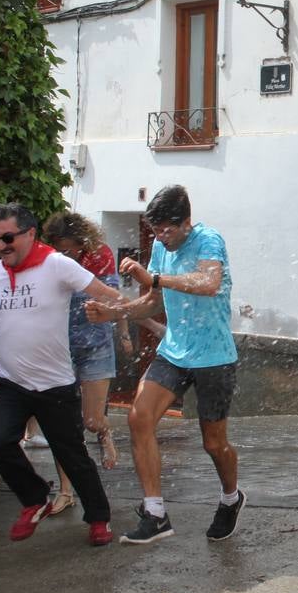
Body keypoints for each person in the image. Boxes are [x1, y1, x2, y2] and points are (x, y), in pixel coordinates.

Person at [0, 202, 120, 546]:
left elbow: (112, 297)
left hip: (56, 384)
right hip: (11, 382)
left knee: (73, 456)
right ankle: (34, 499)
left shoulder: (57, 265)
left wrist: (107, 311)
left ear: (29, 234)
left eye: (8, 238)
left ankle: (99, 519)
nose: (1, 246)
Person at [86, 185, 245, 545]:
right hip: (174, 352)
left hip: (214, 357)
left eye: (167, 230)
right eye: (155, 231)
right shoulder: (160, 246)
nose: (161, 238)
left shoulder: (208, 239)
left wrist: (154, 278)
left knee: (214, 444)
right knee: (138, 417)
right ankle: (155, 513)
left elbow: (209, 282)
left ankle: (230, 498)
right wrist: (115, 313)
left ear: (186, 221)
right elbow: (153, 302)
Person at [40, 211, 128, 516]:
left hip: (96, 347)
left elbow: (115, 299)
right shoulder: (49, 263)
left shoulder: (100, 257)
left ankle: (104, 433)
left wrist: (103, 308)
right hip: (60, 350)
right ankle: (65, 491)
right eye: (59, 249)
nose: (65, 255)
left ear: (82, 242)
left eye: (70, 249)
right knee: (64, 427)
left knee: (90, 421)